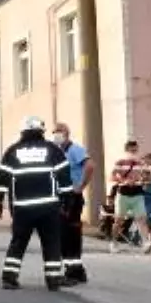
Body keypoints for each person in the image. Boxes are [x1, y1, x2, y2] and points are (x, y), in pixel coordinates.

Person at [0, 117, 72, 291]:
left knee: (18, 242)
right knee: (51, 242)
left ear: (23, 132)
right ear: (41, 132)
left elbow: (2, 178)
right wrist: (67, 201)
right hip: (48, 206)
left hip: (22, 207)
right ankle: (53, 279)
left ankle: (9, 277)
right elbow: (64, 177)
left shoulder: (12, 151)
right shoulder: (52, 149)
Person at [51, 122, 95, 284]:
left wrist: (81, 186)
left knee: (69, 234)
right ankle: (75, 270)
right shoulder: (56, 152)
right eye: (54, 131)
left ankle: (74, 271)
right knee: (64, 234)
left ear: (67, 133)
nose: (56, 134)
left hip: (71, 197)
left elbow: (90, 165)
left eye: (59, 131)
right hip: (60, 196)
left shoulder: (74, 149)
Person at [111, 140, 151, 253]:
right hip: (123, 194)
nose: (134, 152)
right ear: (126, 150)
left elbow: (150, 179)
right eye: (132, 150)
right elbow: (112, 177)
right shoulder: (120, 162)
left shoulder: (141, 164)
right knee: (119, 220)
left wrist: (142, 180)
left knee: (141, 219)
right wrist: (124, 180)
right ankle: (114, 243)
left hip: (138, 194)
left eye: (136, 150)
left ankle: (145, 243)